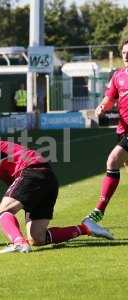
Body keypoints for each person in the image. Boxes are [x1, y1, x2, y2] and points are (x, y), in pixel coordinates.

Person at [0, 135, 113, 253]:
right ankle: (85, 228)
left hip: (32, 172)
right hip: (45, 178)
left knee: (1, 212)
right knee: (38, 238)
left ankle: (18, 243)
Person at [84, 39, 128, 223]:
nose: (127, 56)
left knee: (112, 161)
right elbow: (109, 99)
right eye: (124, 53)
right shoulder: (118, 76)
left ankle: (99, 211)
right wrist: (101, 107)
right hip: (122, 130)